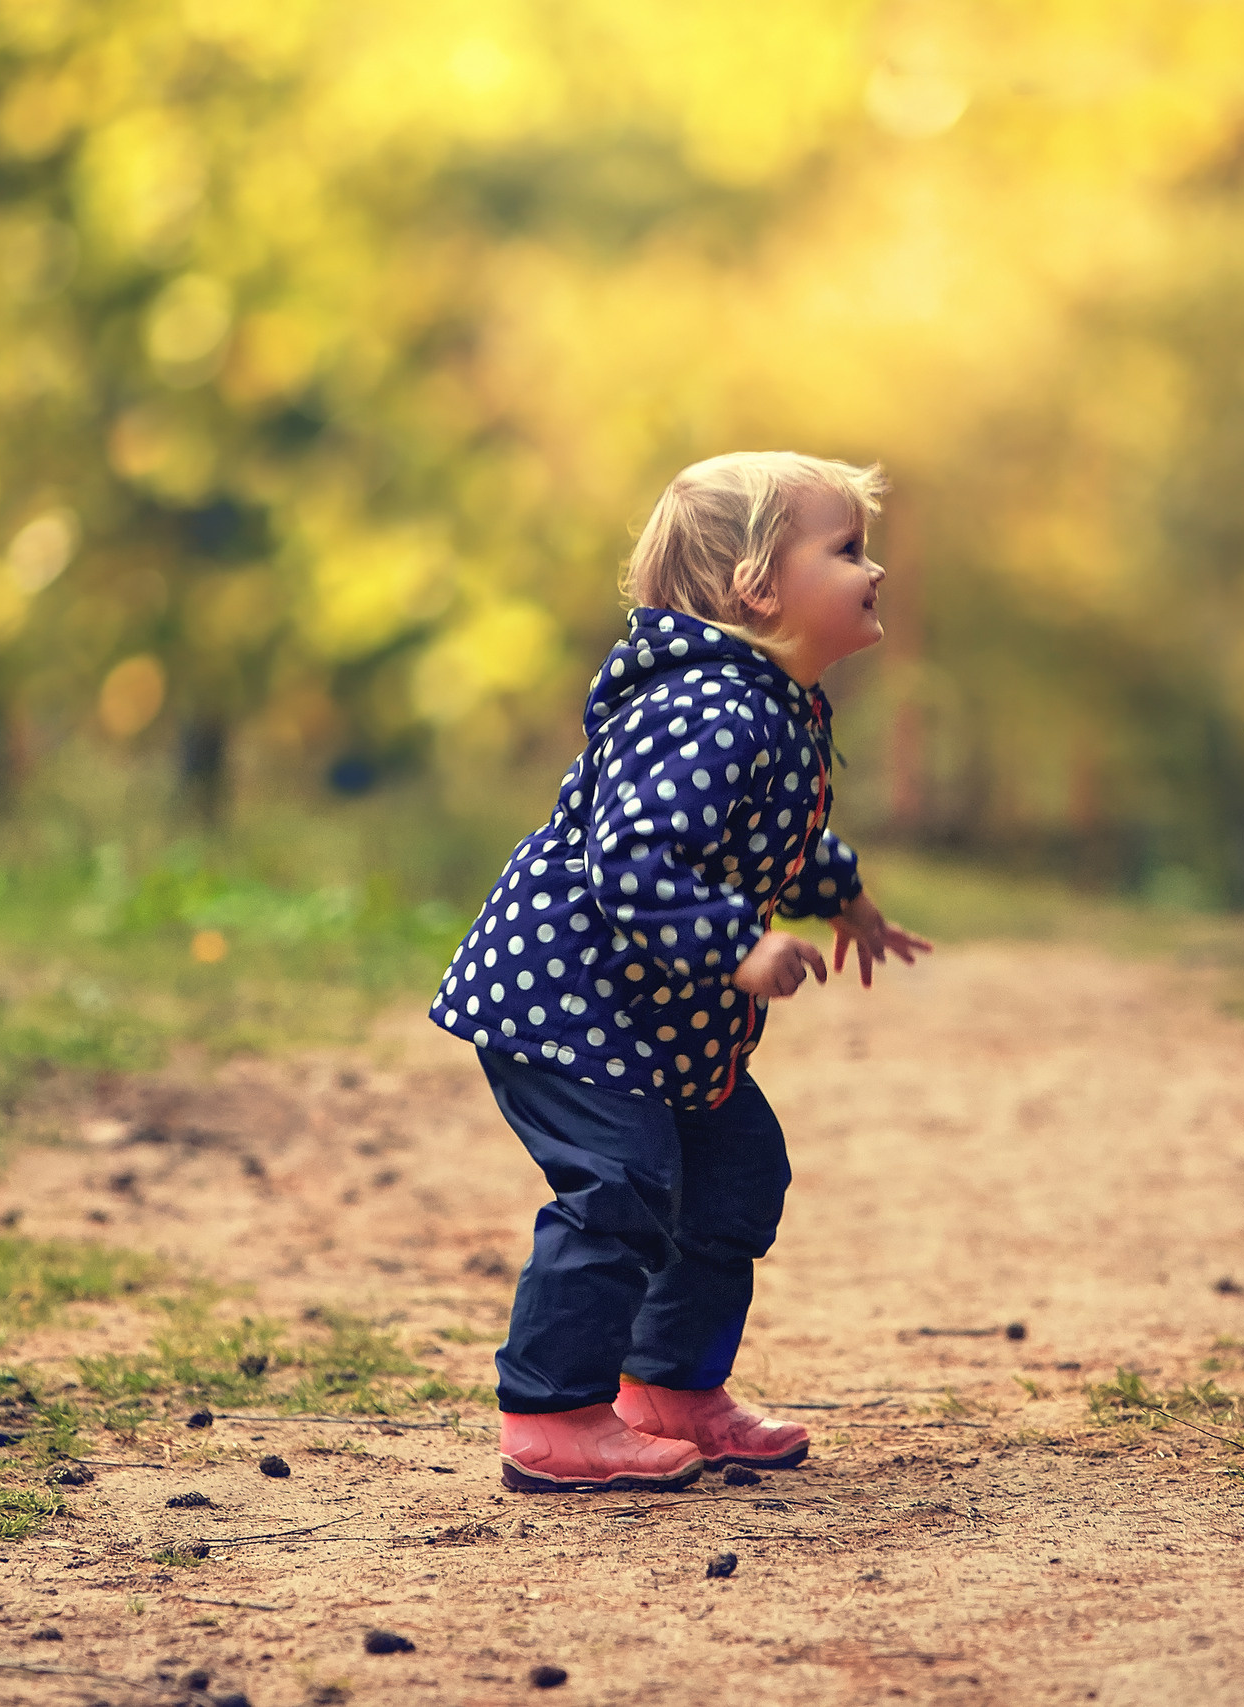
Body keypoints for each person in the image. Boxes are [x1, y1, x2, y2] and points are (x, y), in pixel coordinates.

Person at [430, 451, 932, 1492]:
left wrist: (840, 894)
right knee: (619, 1187)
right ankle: (553, 1413)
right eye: (845, 550)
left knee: (734, 1174)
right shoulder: (708, 705)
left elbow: (758, 837)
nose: (872, 569)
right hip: (567, 1003)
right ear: (755, 587)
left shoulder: (769, 705)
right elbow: (635, 858)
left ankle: (669, 1389)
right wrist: (737, 946)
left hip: (654, 1021)